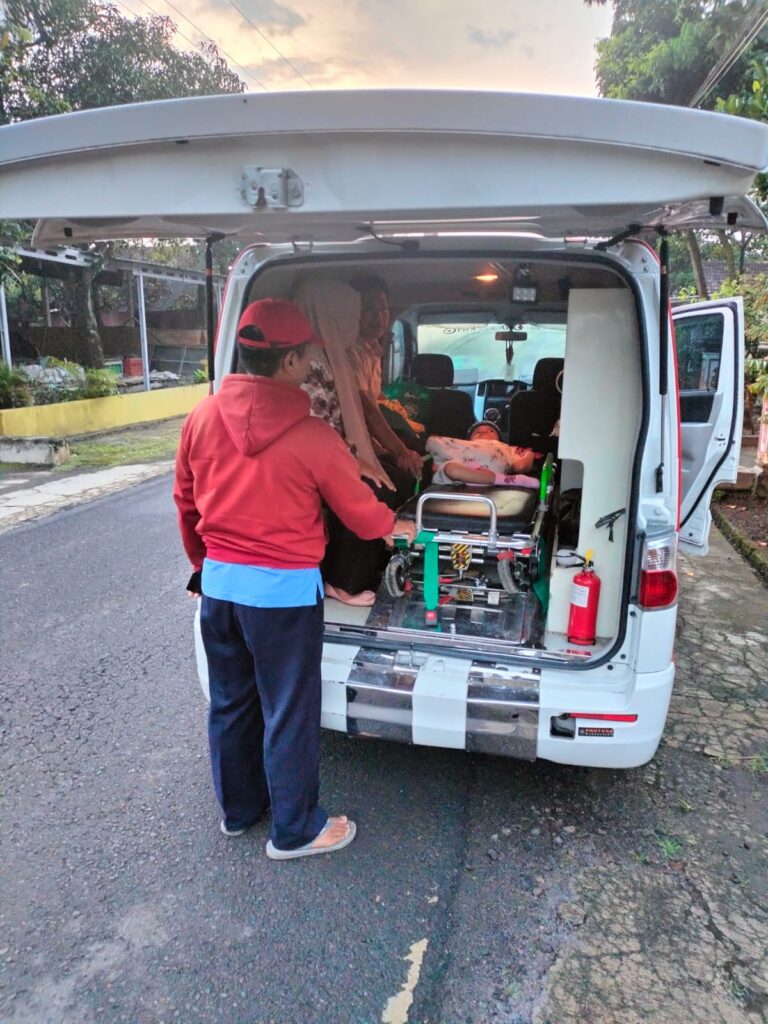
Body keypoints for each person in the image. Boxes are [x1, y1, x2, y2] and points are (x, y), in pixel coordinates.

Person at [173, 298, 416, 860]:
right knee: (289, 708)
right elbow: (361, 514)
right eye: (307, 353)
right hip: (281, 599)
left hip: (220, 589)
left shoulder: (201, 418)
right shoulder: (312, 437)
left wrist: (201, 566)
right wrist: (394, 526)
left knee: (231, 704)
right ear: (290, 362)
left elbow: (185, 503)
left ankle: (239, 813)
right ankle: (295, 830)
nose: (312, 362)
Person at [294, 278, 416, 606]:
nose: (356, 321)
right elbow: (316, 431)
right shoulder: (312, 364)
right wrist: (353, 459)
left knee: (393, 479)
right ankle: (343, 579)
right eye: (353, 313)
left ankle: (377, 557)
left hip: (330, 452)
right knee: (376, 488)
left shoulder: (332, 354)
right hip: (312, 463)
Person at [348, 275, 424, 479]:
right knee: (404, 474)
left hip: (371, 440)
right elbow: (366, 408)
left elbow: (375, 399)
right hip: (356, 444)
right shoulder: (351, 352)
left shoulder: (372, 350)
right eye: (369, 310)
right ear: (353, 312)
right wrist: (400, 451)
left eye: (384, 310)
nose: (380, 318)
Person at [428, 420, 539, 488]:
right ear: (468, 441)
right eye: (477, 432)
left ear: (500, 439)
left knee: (432, 442)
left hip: (494, 462)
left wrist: (529, 455)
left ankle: (439, 459)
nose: (483, 432)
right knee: (451, 469)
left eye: (490, 431)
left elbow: (521, 466)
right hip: (465, 464)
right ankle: (502, 480)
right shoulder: (465, 446)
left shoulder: (506, 448)